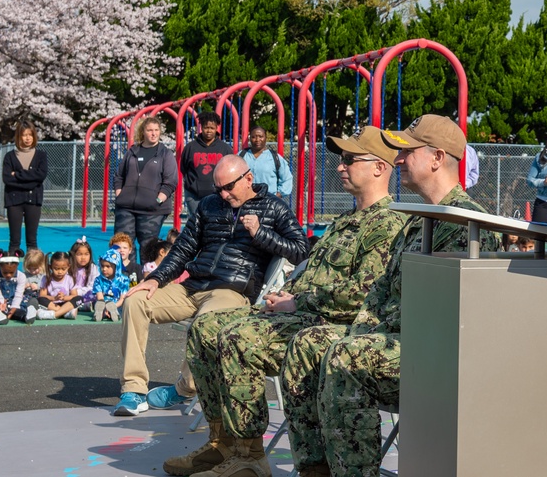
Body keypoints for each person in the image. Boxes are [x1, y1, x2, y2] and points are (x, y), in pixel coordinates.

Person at [158, 125, 405, 477]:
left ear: (380, 167)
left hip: (333, 324)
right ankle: (224, 443)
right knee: (206, 327)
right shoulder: (345, 221)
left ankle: (249, 454)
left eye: (350, 159)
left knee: (237, 339)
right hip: (305, 314)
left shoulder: (388, 223)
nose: (339, 166)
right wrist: (287, 293)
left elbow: (363, 294)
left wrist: (299, 301)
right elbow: (311, 271)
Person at [283, 114, 500, 477]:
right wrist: (362, 330)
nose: (398, 160)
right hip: (400, 339)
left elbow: (454, 316)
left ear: (436, 158)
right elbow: (379, 294)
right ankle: (316, 469)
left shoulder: (468, 224)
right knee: (309, 344)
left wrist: (362, 338)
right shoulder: (419, 219)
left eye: (407, 152)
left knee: (347, 356)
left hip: (441, 353)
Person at [113, 154, 309, 417]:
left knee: (206, 324)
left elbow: (301, 251)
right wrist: (155, 279)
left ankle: (185, 388)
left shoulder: (275, 208)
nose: (224, 194)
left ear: (248, 178)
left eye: (229, 187)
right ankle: (134, 389)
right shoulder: (209, 206)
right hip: (194, 285)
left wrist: (261, 233)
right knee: (135, 302)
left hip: (232, 290)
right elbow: (183, 249)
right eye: (218, 189)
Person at [114, 117, 178, 254]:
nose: (153, 133)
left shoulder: (165, 154)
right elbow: (119, 176)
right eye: (149, 130)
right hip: (126, 208)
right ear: (143, 132)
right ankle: (126, 274)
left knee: (147, 248)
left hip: (152, 210)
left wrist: (157, 201)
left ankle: (147, 275)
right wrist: (120, 195)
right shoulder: (132, 152)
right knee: (123, 246)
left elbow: (170, 182)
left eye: (156, 130)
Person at [2, 119, 48, 252]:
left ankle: (32, 269)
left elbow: (41, 176)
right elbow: (7, 178)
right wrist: (30, 179)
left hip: (33, 200)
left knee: (32, 240)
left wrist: (16, 174)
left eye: (30, 134)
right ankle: (11, 271)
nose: (28, 138)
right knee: (14, 240)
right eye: (24, 135)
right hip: (14, 201)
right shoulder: (9, 156)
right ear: (18, 136)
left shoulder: (41, 156)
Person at [181, 111, 233, 216]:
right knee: (195, 226)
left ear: (216, 128)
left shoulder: (225, 149)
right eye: (206, 127)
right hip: (194, 196)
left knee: (214, 225)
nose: (209, 131)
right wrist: (192, 184)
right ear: (201, 127)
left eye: (212, 128)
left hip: (218, 196)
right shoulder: (191, 147)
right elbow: (184, 167)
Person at [0, 248, 38, 325]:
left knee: (19, 310)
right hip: (1, 303)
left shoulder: (21, 276)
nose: (8, 275)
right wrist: (1, 304)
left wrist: (13, 308)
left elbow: (18, 294)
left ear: (17, 265)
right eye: (5, 272)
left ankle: (26, 316)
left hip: (16, 302)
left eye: (11, 272)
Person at [240, 125, 293, 199]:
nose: (257, 139)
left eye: (260, 136)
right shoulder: (241, 156)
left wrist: (276, 197)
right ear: (250, 139)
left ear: (265, 138)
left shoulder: (275, 158)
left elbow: (287, 179)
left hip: (268, 203)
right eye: (253, 137)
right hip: (246, 201)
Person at [36, 251, 80, 320]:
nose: (60, 272)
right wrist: (54, 298)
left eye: (63, 269)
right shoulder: (46, 278)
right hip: (52, 304)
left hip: (66, 304)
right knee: (40, 300)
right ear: (50, 267)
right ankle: (65, 313)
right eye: (56, 269)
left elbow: (74, 295)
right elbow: (42, 295)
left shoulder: (70, 279)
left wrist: (64, 298)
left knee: (79, 298)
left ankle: (54, 314)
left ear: (68, 267)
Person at [93, 248, 130, 322]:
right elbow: (100, 298)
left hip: (118, 304)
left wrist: (114, 306)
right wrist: (105, 307)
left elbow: (122, 299)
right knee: (99, 305)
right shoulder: (98, 280)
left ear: (116, 266)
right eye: (102, 266)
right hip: (104, 303)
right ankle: (101, 314)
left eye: (108, 266)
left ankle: (114, 313)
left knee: (124, 307)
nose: (104, 269)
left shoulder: (124, 280)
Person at [70, 239, 99, 310]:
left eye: (86, 254)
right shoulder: (69, 268)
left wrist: (78, 292)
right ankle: (81, 306)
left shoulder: (93, 268)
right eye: (79, 254)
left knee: (95, 294)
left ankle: (85, 306)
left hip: (86, 295)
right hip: (72, 295)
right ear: (73, 255)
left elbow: (93, 286)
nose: (83, 257)